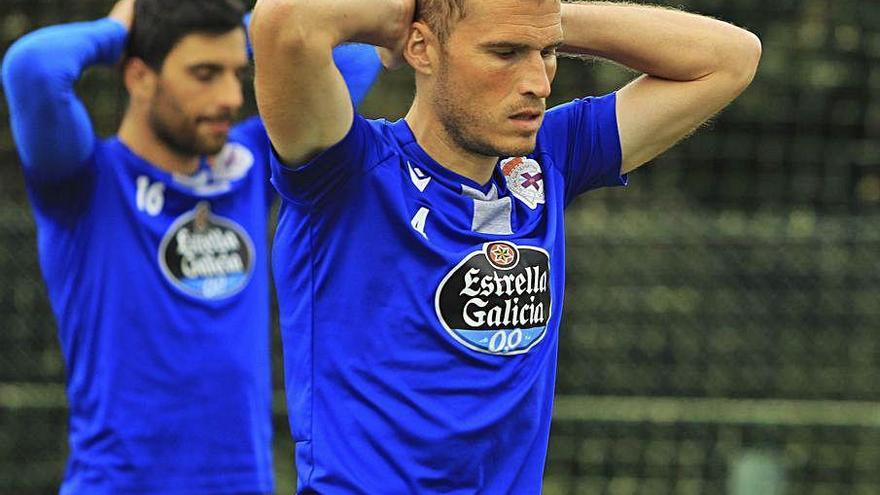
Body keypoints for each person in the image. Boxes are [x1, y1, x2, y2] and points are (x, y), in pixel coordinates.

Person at [251, 0, 761, 492]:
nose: (538, 84)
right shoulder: (345, 172)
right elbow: (285, 21)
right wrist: (411, 15)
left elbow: (730, 58)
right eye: (505, 53)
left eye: (546, 54)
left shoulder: (551, 157)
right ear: (422, 49)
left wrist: (539, 19)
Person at [1, 0, 380, 492]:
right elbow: (33, 68)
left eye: (235, 73)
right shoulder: (86, 182)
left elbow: (357, 55)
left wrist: (246, 29)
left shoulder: (246, 167)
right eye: (204, 73)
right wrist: (124, 29)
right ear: (139, 77)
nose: (228, 96)